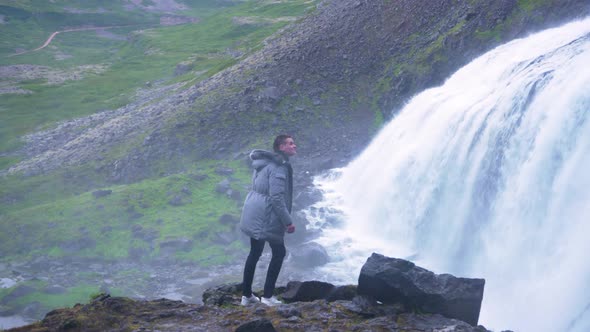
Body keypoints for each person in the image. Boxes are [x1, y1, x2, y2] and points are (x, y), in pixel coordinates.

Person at [239, 134, 297, 306]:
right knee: (279, 252)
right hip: (266, 215)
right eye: (290, 143)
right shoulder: (279, 167)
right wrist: (288, 221)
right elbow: (277, 197)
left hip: (254, 210)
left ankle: (246, 296)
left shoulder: (262, 164)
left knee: (255, 252)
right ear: (281, 147)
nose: (294, 146)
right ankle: (268, 296)